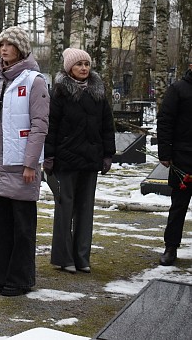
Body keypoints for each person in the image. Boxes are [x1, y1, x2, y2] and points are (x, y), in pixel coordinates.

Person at [0, 26, 49, 296]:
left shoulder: (34, 81)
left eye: (9, 45)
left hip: (20, 165)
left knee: (22, 227)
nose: (3, 49)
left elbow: (40, 125)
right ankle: (1, 275)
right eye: (1, 45)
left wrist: (31, 163)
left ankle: (20, 279)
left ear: (21, 49)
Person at [44, 48, 115, 273]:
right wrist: (49, 156)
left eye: (86, 64)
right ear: (69, 68)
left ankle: (82, 257)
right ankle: (64, 258)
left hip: (91, 159)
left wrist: (107, 155)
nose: (84, 68)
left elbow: (107, 125)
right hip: (66, 160)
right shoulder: (59, 92)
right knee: (65, 209)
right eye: (79, 64)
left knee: (86, 210)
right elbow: (51, 126)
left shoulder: (98, 91)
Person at [158, 61, 192, 266]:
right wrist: (165, 152)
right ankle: (171, 247)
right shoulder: (178, 89)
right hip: (184, 157)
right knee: (179, 205)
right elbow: (165, 120)